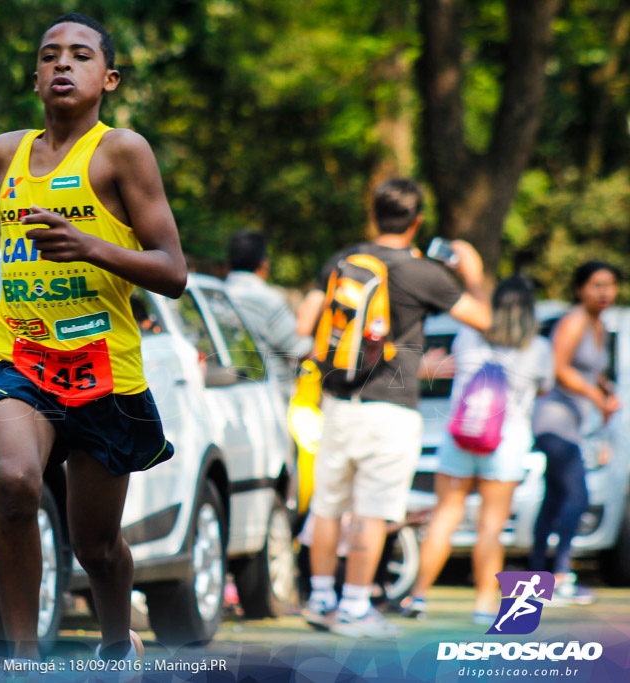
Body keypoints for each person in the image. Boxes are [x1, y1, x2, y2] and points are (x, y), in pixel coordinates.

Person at [0, 13, 186, 663]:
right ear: (34, 78)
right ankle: (22, 661)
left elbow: (173, 271)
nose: (62, 64)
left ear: (106, 79)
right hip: (19, 353)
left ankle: (116, 645)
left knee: (97, 545)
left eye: (80, 55)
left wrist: (90, 246)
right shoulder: (7, 152)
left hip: (103, 367)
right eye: (50, 55)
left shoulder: (122, 152)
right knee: (16, 480)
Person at [294, 178, 491, 637]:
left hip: (337, 400)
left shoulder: (343, 261)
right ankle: (355, 607)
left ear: (374, 214)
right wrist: (474, 274)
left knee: (328, 505)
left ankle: (321, 599)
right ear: (417, 221)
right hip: (390, 408)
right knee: (371, 509)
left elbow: (305, 323)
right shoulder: (423, 272)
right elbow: (484, 320)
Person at [401, 277, 553, 623]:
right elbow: (544, 390)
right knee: (490, 526)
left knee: (445, 516)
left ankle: (418, 595)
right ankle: (485, 603)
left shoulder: (468, 335)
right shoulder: (538, 348)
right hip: (506, 442)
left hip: (461, 436)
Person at [529, 260, 620, 605]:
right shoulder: (575, 320)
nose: (604, 292)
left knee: (553, 498)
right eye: (597, 284)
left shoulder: (599, 325)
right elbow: (559, 366)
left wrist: (605, 388)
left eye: (609, 285)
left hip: (573, 422)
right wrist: (596, 396)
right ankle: (560, 575)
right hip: (554, 419)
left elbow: (590, 369)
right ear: (580, 289)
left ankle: (537, 579)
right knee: (577, 496)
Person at [225, 230, 310, 400]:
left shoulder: (218, 296)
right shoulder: (267, 300)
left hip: (227, 392)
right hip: (269, 397)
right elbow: (301, 350)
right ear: (264, 264)